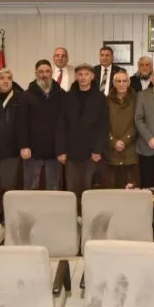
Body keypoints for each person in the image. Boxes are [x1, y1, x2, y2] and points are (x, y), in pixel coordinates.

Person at [62, 63, 109, 202]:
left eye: (86, 74)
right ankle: (73, 213)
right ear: (76, 77)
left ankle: (88, 214)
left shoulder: (100, 98)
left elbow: (103, 125)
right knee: (72, 189)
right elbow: (61, 125)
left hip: (91, 152)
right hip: (71, 151)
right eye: (80, 74)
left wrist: (97, 149)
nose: (83, 77)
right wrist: (61, 150)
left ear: (92, 76)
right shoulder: (67, 97)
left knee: (89, 190)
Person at [18, 60, 66, 190]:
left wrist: (62, 149)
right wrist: (23, 146)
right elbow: (21, 123)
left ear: (52, 73)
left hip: (55, 151)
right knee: (30, 187)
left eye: (47, 71)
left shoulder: (61, 95)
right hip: (32, 151)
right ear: (36, 74)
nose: (44, 75)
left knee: (54, 187)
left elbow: (63, 124)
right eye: (41, 72)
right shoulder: (26, 95)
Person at [107, 70, 139, 187]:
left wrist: (125, 140)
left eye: (124, 81)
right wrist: (114, 141)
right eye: (118, 81)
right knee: (112, 190)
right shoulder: (106, 100)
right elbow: (103, 124)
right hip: (111, 150)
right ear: (114, 83)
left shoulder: (137, 99)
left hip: (131, 149)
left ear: (129, 83)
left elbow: (138, 122)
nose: (121, 84)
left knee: (130, 190)